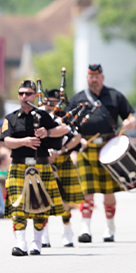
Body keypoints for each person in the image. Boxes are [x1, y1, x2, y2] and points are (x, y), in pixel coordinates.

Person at [66, 63, 136, 242]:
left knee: (108, 192)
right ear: (87, 78)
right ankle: (85, 229)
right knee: (86, 191)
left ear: (102, 78)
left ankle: (109, 227)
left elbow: (130, 116)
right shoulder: (77, 98)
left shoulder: (114, 96)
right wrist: (76, 138)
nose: (94, 79)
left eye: (97, 76)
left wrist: (129, 122)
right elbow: (67, 125)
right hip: (85, 148)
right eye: (91, 76)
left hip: (109, 148)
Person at [2, 80, 69, 255]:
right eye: (21, 93)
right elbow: (7, 140)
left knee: (41, 207)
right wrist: (24, 141)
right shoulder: (10, 118)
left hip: (41, 165)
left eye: (28, 94)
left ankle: (37, 242)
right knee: (18, 205)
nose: (24, 97)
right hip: (18, 166)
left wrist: (48, 132)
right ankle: (20, 242)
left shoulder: (43, 115)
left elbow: (63, 129)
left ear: (35, 96)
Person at [41, 88, 85, 247]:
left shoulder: (67, 116)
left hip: (63, 158)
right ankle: (43, 234)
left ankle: (67, 230)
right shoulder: (39, 116)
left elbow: (77, 136)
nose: (51, 105)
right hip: (45, 161)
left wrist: (62, 150)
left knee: (65, 198)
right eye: (49, 102)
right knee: (44, 198)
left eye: (54, 102)